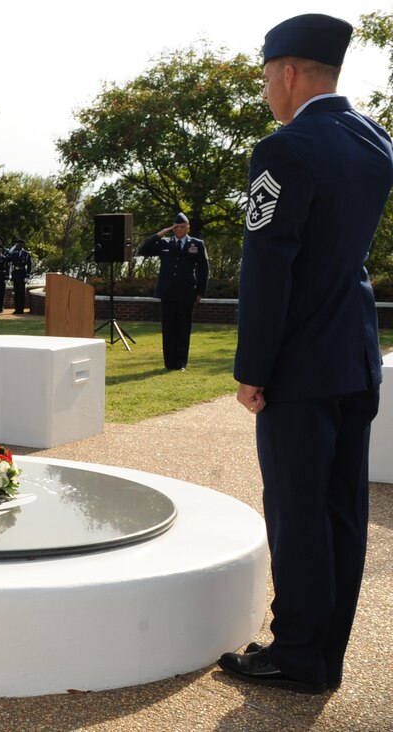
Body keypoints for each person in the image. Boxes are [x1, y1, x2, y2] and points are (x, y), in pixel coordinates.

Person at [219, 14, 393, 695]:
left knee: (297, 509)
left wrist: (253, 369)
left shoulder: (285, 150)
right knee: (342, 511)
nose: (268, 94)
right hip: (354, 351)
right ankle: (325, 655)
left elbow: (270, 266)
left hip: (300, 364)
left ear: (288, 75)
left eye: (268, 80)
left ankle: (294, 652)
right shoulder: (374, 141)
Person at [136, 213, 209, 370]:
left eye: (182, 227)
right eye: (176, 227)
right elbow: (143, 249)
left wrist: (200, 292)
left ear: (188, 227)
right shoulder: (165, 243)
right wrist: (162, 232)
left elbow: (204, 270)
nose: (179, 229)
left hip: (186, 293)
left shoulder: (196, 244)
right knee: (168, 329)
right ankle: (169, 363)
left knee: (183, 329)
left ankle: (181, 363)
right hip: (167, 293)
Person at [8, 240, 32, 314]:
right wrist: (10, 251)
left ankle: (21, 309)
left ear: (22, 246)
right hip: (15, 274)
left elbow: (29, 265)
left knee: (21, 293)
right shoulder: (13, 253)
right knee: (16, 292)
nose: (18, 246)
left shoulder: (26, 254)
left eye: (19, 245)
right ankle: (16, 309)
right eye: (17, 245)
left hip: (22, 274)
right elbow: (8, 259)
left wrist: (27, 276)